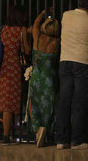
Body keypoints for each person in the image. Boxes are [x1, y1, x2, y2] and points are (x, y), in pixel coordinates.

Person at [55, 0, 88, 150]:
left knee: (64, 101)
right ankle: (77, 140)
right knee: (79, 102)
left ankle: (62, 140)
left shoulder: (66, 15)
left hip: (65, 61)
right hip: (82, 62)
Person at [0, 5, 31, 144]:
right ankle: (6, 135)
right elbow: (26, 50)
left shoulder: (2, 29)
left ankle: (6, 133)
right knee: (9, 104)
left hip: (1, 69)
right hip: (13, 69)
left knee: (4, 102)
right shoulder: (20, 30)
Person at [27, 8, 60, 147]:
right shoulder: (57, 43)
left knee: (33, 105)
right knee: (48, 107)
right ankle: (45, 131)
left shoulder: (38, 37)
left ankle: (37, 131)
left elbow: (35, 24)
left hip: (36, 78)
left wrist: (43, 13)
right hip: (49, 79)